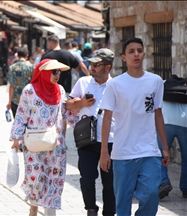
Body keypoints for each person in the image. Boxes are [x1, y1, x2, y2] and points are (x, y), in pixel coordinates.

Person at [99, 37, 170, 215]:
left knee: (151, 194)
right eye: (131, 51)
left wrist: (165, 147)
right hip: (122, 152)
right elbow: (107, 118)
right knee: (122, 202)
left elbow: (158, 114)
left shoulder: (155, 81)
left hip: (149, 151)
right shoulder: (115, 84)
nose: (136, 54)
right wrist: (104, 152)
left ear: (144, 53)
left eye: (139, 50)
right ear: (123, 57)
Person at [10, 59, 70, 216]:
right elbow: (21, 114)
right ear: (43, 72)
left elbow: (65, 113)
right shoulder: (30, 90)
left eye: (59, 72)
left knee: (54, 179)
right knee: (36, 178)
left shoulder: (61, 90)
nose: (57, 75)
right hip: (33, 144)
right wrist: (16, 138)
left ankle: (50, 213)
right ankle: (34, 205)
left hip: (56, 144)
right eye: (53, 71)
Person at [66, 48, 116, 216]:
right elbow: (68, 105)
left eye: (97, 64)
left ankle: (109, 212)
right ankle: (91, 209)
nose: (92, 67)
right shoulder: (83, 83)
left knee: (109, 181)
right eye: (91, 64)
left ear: (108, 67)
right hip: (87, 139)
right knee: (87, 178)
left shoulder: (117, 86)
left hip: (110, 141)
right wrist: (82, 103)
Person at [157, 96, 187, 199]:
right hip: (184, 122)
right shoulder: (185, 87)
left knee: (160, 155)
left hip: (166, 120)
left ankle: (163, 182)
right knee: (186, 158)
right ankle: (185, 187)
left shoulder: (163, 84)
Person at [6, 47, 34, 118]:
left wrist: (9, 101)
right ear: (27, 55)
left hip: (16, 100)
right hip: (28, 99)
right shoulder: (31, 67)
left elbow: (11, 86)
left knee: (17, 123)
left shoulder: (12, 67)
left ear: (17, 55)